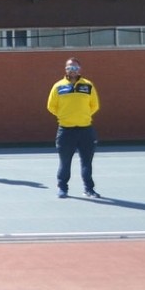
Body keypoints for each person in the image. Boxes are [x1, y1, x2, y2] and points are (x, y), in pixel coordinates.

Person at [47, 57, 101, 199]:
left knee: (87, 162)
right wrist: (63, 116)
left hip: (85, 130)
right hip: (66, 131)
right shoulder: (58, 86)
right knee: (65, 162)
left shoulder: (88, 85)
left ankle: (89, 189)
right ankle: (62, 188)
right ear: (65, 69)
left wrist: (83, 116)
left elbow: (95, 105)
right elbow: (51, 106)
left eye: (75, 68)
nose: (72, 70)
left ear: (80, 70)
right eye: (70, 68)